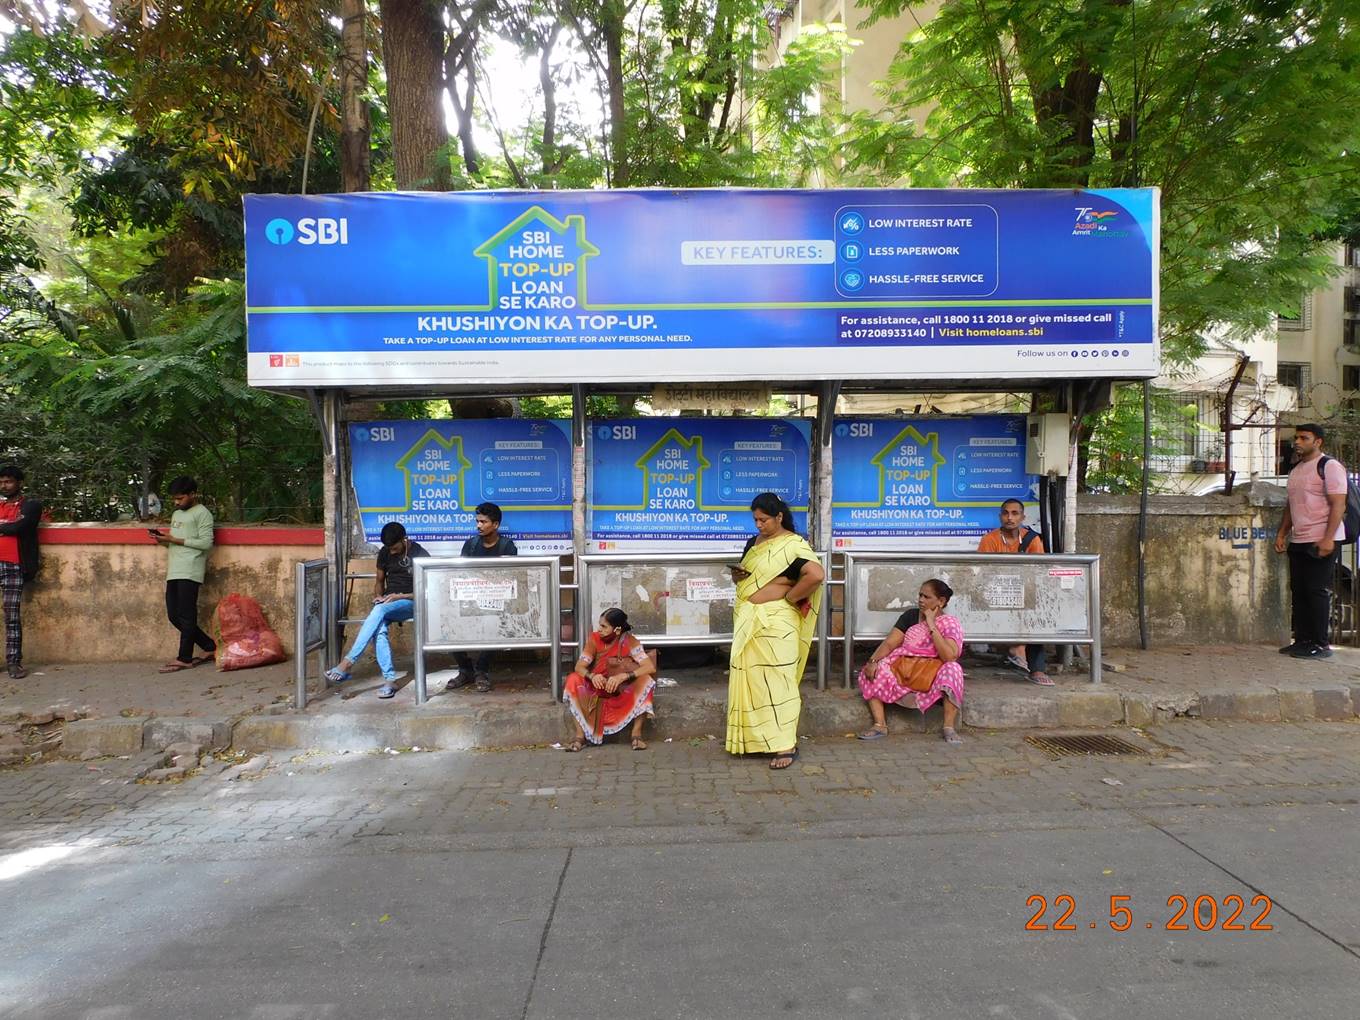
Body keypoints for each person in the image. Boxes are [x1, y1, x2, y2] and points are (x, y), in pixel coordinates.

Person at [726, 492, 824, 770]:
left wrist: (790, 598)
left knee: (779, 683)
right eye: (755, 520)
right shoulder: (753, 543)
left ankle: (785, 744)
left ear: (779, 517)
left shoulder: (794, 546)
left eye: (764, 520)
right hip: (749, 620)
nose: (758, 525)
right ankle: (756, 741)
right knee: (754, 682)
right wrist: (737, 576)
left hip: (777, 623)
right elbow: (747, 572)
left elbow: (815, 575)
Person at [856, 579, 966, 745]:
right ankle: (880, 725)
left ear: (941, 601)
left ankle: (948, 727)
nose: (921, 599)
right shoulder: (910, 616)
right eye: (920, 595)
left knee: (953, 669)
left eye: (927, 597)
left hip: (931, 675)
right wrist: (873, 661)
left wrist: (931, 624)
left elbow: (949, 656)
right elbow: (890, 643)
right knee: (871, 670)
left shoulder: (950, 623)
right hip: (905, 669)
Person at [325, 521, 429, 697]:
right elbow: (379, 582)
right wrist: (378, 597)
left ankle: (347, 663)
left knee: (379, 612)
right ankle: (390, 681)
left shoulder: (419, 553)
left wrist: (400, 596)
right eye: (388, 548)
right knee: (378, 627)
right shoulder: (385, 552)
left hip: (412, 602)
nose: (391, 551)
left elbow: (427, 589)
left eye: (395, 547)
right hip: (388, 604)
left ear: (404, 539)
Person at [1275, 423, 1348, 659]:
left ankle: (1320, 644)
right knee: (1299, 591)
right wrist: (1282, 533)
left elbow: (1339, 504)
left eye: (1303, 438)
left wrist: (1328, 539)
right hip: (1299, 539)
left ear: (1318, 442)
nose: (1297, 441)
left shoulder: (1329, 466)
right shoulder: (1296, 469)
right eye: (1296, 437)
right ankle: (1303, 640)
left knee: (1315, 590)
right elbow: (1291, 505)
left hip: (1322, 538)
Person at [976, 497, 1052, 685]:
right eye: (1005, 513)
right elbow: (983, 574)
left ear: (1022, 517)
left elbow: (1039, 572)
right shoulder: (989, 540)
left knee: (1037, 610)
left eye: (1014, 513)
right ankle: (1016, 649)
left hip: (1024, 592)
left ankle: (1036, 668)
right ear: (1000, 516)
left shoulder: (1032, 539)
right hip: (995, 593)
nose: (1009, 517)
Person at [445, 502, 517, 693]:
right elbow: (461, 575)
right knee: (449, 623)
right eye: (477, 521)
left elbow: (509, 580)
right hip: (469, 599)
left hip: (496, 602)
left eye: (483, 522)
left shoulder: (507, 547)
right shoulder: (470, 545)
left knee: (494, 622)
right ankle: (465, 669)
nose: (478, 525)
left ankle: (482, 671)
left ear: (495, 525)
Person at [561, 609, 656, 752]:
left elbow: (649, 667)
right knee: (572, 679)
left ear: (617, 630)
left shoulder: (630, 641)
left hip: (619, 691)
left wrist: (624, 676)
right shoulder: (594, 639)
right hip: (595, 689)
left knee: (646, 680)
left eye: (604, 626)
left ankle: (636, 735)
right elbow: (579, 666)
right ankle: (580, 737)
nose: (599, 629)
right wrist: (592, 676)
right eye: (599, 625)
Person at [151, 476, 217, 673]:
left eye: (180, 498)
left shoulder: (203, 513)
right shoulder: (176, 514)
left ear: (192, 494)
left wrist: (176, 539)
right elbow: (176, 541)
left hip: (191, 569)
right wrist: (164, 540)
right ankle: (209, 646)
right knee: (174, 615)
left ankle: (185, 657)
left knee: (187, 616)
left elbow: (206, 543)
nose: (177, 502)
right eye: (174, 499)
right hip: (175, 569)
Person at [0, 466, 42, 680]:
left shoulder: (31, 505)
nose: (4, 486)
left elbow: (20, 527)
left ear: (19, 483)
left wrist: (6, 526)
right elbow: (12, 526)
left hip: (13, 565)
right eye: (1, 482)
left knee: (12, 616)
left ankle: (14, 663)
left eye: (8, 482)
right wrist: (7, 525)